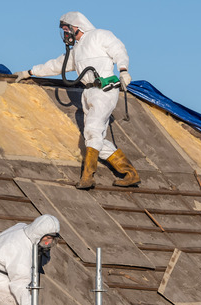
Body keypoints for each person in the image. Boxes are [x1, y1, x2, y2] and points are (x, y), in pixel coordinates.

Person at [15, 12, 140, 190]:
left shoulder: (100, 35)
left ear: (77, 26)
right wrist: (29, 72)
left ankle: (88, 177)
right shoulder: (76, 51)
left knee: (92, 130)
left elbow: (119, 50)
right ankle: (130, 173)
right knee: (95, 137)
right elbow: (56, 65)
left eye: (67, 29)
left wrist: (123, 70)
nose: (66, 34)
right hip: (88, 92)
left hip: (105, 89)